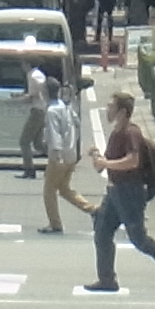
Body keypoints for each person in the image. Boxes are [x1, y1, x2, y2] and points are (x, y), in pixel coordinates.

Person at [81, 92, 155, 294]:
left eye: (111, 106)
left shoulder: (131, 133)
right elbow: (102, 167)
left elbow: (133, 161)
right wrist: (97, 157)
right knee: (102, 232)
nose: (107, 109)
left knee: (138, 239)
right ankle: (107, 279)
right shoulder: (116, 133)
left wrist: (106, 163)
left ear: (122, 111)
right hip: (115, 191)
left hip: (129, 191)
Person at [37, 70, 96, 234]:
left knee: (49, 191)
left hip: (59, 156)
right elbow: (76, 122)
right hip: (71, 155)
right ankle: (92, 209)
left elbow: (54, 133)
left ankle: (55, 223)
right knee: (64, 189)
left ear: (45, 92)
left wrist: (56, 153)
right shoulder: (65, 107)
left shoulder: (51, 111)